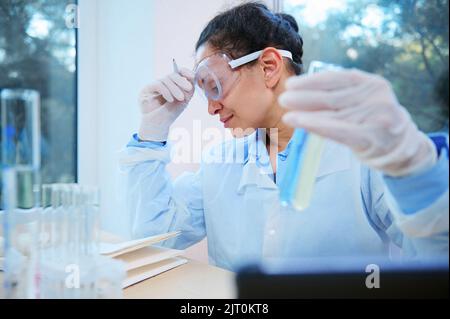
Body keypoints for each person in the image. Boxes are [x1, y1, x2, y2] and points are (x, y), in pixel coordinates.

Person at [119, 2, 448, 271]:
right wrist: (152, 132)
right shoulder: (220, 162)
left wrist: (417, 172)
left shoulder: (360, 154)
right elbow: (153, 237)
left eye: (214, 86)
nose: (211, 108)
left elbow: (436, 255)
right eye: (204, 93)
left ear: (268, 66)